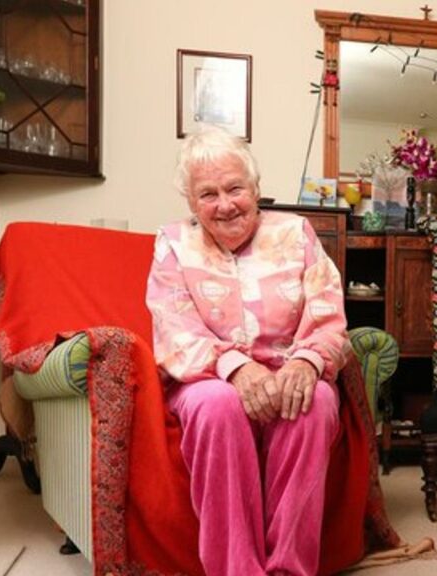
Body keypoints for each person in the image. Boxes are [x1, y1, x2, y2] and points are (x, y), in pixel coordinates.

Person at [146, 125, 349, 576]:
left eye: (235, 188)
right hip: (209, 378)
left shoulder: (296, 234)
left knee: (312, 401)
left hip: (287, 368)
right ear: (191, 204)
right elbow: (174, 328)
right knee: (217, 406)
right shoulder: (174, 244)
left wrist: (305, 360)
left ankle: (288, 569)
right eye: (208, 194)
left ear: (256, 188)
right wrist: (235, 368)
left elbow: (328, 313)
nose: (225, 204)